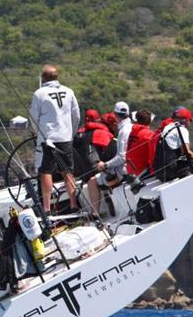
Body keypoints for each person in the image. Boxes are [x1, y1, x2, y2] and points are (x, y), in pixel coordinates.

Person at [30, 64, 80, 213]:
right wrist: (71, 133)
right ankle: (73, 204)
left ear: (43, 78)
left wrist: (38, 133)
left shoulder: (39, 94)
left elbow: (33, 117)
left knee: (46, 171)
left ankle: (47, 208)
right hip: (65, 137)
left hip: (48, 138)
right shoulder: (69, 91)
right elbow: (76, 115)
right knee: (68, 171)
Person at [87, 101, 132, 216]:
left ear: (116, 115)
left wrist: (105, 165)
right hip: (131, 165)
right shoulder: (131, 127)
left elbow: (122, 157)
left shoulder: (122, 132)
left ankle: (95, 214)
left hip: (123, 170)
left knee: (92, 181)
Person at [73, 109, 115, 183]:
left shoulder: (75, 135)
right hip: (95, 173)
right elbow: (111, 154)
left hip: (79, 174)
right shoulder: (100, 132)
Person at [126, 109, 155, 176]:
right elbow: (154, 155)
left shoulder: (132, 133)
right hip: (141, 172)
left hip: (131, 171)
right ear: (150, 121)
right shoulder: (149, 134)